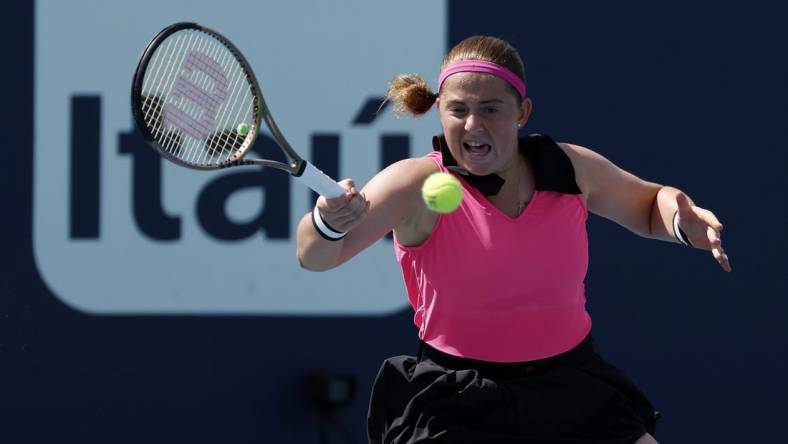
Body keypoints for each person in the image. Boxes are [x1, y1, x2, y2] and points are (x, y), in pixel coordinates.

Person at [296, 35, 730, 444]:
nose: (473, 125)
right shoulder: (413, 184)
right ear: (439, 111)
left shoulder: (571, 169)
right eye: (458, 110)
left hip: (572, 387)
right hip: (458, 401)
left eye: (490, 110)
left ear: (522, 112)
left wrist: (680, 218)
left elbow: (649, 205)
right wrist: (327, 221)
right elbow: (314, 257)